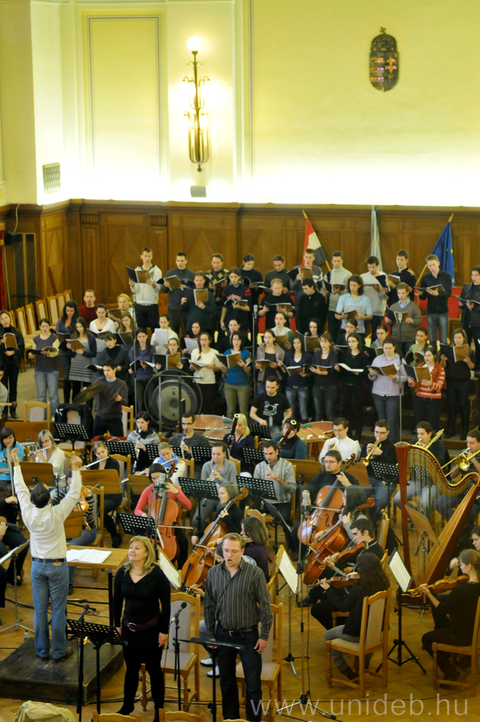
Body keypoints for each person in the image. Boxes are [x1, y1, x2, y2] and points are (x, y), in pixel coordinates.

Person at [12, 448, 82, 660]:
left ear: (33, 499)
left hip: (36, 567)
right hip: (57, 567)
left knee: (40, 611)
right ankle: (59, 651)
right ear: (50, 499)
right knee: (58, 611)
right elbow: (74, 493)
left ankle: (42, 651)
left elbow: (20, 488)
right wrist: (75, 469)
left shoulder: (27, 512)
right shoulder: (56, 513)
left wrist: (16, 464)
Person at [203, 532, 272, 722]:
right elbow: (208, 607)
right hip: (223, 634)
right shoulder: (213, 573)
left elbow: (265, 607)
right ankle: (230, 719)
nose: (229, 555)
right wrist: (211, 634)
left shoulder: (255, 573)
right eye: (226, 551)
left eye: (234, 551)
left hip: (248, 636)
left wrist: (264, 635)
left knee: (253, 685)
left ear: (242, 551)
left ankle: (253, 720)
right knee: (226, 682)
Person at [114, 536, 171, 720]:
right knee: (131, 669)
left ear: (147, 552)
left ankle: (159, 710)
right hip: (129, 630)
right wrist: (116, 625)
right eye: (131, 547)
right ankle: (127, 706)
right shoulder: (122, 573)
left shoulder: (157, 574)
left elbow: (166, 604)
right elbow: (116, 601)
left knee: (154, 669)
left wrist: (164, 631)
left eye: (137, 548)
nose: (132, 550)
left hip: (152, 631)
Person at [323, 552, 390, 680]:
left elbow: (343, 607)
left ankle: (344, 668)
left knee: (328, 635)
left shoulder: (360, 587)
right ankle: (365, 661)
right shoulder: (384, 584)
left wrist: (328, 589)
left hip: (357, 634)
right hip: (375, 632)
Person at [310, 519, 384, 628]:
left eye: (355, 534)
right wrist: (334, 567)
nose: (353, 538)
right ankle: (342, 624)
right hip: (357, 588)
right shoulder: (372, 547)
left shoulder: (369, 554)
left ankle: (339, 629)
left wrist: (333, 576)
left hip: (355, 594)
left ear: (366, 532)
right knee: (324, 596)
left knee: (316, 609)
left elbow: (352, 579)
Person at [421, 549, 480, 683]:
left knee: (426, 638)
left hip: (461, 636)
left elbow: (443, 609)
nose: (460, 567)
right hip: (476, 635)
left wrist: (429, 594)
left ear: (469, 566)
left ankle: (450, 672)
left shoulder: (461, 589)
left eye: (462, 564)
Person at [134, 464, 192, 568]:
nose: (156, 481)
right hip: (154, 525)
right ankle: (146, 565)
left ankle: (181, 569)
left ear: (164, 476)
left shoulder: (173, 489)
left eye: (158, 477)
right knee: (142, 542)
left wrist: (177, 492)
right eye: (153, 478)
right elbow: (137, 509)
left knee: (183, 542)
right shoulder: (149, 490)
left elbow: (188, 506)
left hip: (170, 526)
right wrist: (143, 514)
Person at [50, 468, 97, 595]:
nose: (72, 487)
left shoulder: (87, 495)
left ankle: (69, 582)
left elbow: (85, 518)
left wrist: (72, 506)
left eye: (74, 483)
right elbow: (52, 504)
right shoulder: (65, 491)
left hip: (86, 530)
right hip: (67, 529)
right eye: (70, 483)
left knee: (72, 547)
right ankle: (55, 578)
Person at [393, 421, 447, 517]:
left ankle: (425, 523)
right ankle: (417, 518)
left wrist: (426, 451)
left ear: (430, 433)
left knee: (424, 504)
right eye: (418, 433)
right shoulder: (413, 443)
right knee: (397, 499)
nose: (419, 437)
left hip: (433, 482)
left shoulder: (439, 445)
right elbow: (405, 461)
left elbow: (440, 462)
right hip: (416, 480)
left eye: (422, 434)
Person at [434, 428, 480, 526]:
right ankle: (459, 526)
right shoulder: (463, 452)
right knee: (438, 504)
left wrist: (474, 460)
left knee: (470, 513)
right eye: (467, 442)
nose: (468, 446)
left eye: (472, 443)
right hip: (463, 487)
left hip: (478, 491)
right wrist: (458, 464)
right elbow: (452, 475)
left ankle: (463, 528)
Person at [359, 420, 398, 525]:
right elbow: (360, 464)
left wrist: (381, 454)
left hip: (385, 480)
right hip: (369, 478)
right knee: (357, 496)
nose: (378, 435)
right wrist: (365, 454)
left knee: (381, 501)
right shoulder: (367, 444)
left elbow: (394, 465)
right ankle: (360, 520)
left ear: (388, 432)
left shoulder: (392, 447)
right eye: (376, 432)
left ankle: (371, 523)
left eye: (382, 433)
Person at [368, 337, 407, 443]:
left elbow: (406, 377)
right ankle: (381, 442)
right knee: (381, 421)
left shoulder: (400, 360)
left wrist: (395, 377)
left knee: (392, 421)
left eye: (389, 348)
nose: (387, 350)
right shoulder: (377, 359)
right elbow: (371, 378)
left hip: (393, 393)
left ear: (394, 347)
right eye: (385, 348)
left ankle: (393, 444)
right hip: (378, 393)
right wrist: (371, 374)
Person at [440, 328, 476, 438]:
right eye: (455, 337)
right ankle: (450, 430)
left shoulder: (469, 350)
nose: (457, 339)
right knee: (451, 405)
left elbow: (473, 367)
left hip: (463, 382)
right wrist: (443, 360)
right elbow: (442, 366)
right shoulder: (449, 350)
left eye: (459, 337)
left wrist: (468, 362)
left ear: (464, 338)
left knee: (463, 405)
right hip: (451, 381)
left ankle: (465, 430)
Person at [335, 333, 370, 441]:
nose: (351, 344)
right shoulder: (345, 356)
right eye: (349, 341)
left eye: (353, 341)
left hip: (357, 386)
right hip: (346, 386)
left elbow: (366, 374)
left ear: (358, 342)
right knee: (346, 411)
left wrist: (359, 373)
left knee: (357, 410)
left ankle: (358, 436)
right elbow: (341, 374)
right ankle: (348, 435)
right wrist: (338, 370)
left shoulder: (363, 356)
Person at [89, 440, 123, 547]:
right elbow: (91, 483)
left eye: (103, 452)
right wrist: (85, 472)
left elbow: (111, 481)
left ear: (107, 450)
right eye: (98, 453)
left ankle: (114, 535)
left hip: (113, 494)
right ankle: (90, 534)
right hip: (98, 495)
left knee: (101, 511)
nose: (101, 455)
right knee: (85, 506)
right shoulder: (94, 465)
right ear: (95, 454)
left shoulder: (113, 463)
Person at [252, 441, 296, 522]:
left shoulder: (287, 466)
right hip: (265, 502)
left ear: (277, 452)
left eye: (271, 453)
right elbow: (255, 491)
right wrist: (262, 486)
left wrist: (278, 479)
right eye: (265, 454)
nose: (268, 457)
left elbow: (292, 489)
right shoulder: (259, 467)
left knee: (284, 519)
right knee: (251, 515)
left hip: (282, 502)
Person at [28, 318, 60, 420]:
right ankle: (42, 415)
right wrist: (31, 355)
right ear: (40, 327)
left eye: (46, 326)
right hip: (39, 369)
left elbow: (57, 352)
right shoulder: (36, 339)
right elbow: (32, 352)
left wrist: (49, 353)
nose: (45, 328)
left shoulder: (54, 338)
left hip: (52, 369)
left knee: (53, 394)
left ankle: (54, 415)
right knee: (41, 395)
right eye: (43, 326)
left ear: (49, 327)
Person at [408, 345, 445, 431]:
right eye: (425, 355)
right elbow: (415, 384)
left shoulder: (440, 369)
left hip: (433, 400)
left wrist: (430, 383)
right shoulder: (419, 367)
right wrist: (411, 382)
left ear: (434, 356)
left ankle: (434, 439)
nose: (426, 358)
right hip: (420, 398)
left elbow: (440, 385)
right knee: (420, 423)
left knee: (433, 424)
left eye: (429, 355)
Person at [419, 253, 452, 347]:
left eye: (433, 264)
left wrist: (438, 294)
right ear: (427, 266)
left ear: (438, 263)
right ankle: (432, 356)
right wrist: (420, 294)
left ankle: (443, 356)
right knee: (432, 339)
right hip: (431, 310)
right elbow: (423, 297)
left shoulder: (446, 276)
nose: (432, 267)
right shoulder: (425, 278)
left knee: (443, 339)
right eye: (429, 265)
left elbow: (448, 293)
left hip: (442, 310)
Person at [128, 247, 163, 332]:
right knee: (141, 330)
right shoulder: (137, 270)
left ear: (152, 257)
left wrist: (153, 284)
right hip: (139, 304)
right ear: (141, 256)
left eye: (149, 256)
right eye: (145, 256)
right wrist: (132, 285)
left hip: (152, 304)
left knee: (155, 329)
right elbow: (135, 290)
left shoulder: (157, 271)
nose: (147, 258)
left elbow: (158, 289)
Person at [161, 251, 194, 334]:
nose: (180, 263)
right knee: (173, 332)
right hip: (173, 307)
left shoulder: (191, 274)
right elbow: (164, 291)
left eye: (182, 261)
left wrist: (185, 287)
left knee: (186, 332)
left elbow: (194, 290)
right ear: (175, 261)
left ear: (186, 261)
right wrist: (165, 286)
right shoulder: (170, 273)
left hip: (186, 307)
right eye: (178, 261)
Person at [92, 360, 128, 437]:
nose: (106, 373)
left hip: (114, 417)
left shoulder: (121, 383)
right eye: (104, 370)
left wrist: (120, 399)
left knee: (118, 442)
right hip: (100, 416)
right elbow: (92, 390)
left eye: (108, 370)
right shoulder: (100, 381)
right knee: (95, 440)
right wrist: (87, 391)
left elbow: (126, 401)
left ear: (114, 369)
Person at [385, 281, 422, 356]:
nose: (400, 295)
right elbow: (391, 322)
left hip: (409, 338)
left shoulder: (413, 306)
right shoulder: (393, 306)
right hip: (396, 337)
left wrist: (412, 321)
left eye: (403, 293)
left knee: (408, 358)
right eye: (399, 293)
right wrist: (388, 321)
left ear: (407, 293)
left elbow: (419, 321)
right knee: (396, 358)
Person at [0, 310, 25, 419]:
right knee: (4, 388)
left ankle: (13, 410)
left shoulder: (16, 331)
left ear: (9, 318)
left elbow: (22, 347)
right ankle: (4, 411)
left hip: (14, 363)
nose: (5, 320)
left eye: (6, 318)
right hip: (3, 364)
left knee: (13, 386)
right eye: (2, 319)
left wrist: (13, 352)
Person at [221, 331, 252, 418]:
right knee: (230, 410)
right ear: (231, 341)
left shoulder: (246, 353)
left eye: (238, 339)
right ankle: (230, 426)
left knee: (243, 410)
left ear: (241, 341)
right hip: (229, 383)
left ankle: (243, 426)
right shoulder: (227, 352)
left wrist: (243, 366)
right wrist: (222, 367)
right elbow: (225, 371)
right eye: (234, 339)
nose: (236, 341)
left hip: (243, 384)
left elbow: (248, 371)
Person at [190, 332, 222, 414]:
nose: (203, 342)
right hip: (197, 381)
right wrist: (192, 366)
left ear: (209, 341)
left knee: (209, 405)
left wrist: (212, 367)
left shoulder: (214, 352)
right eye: (201, 340)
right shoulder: (195, 352)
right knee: (198, 404)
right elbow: (191, 368)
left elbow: (218, 369)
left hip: (209, 381)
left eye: (205, 340)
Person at [323, 251, 351, 341]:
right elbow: (324, 292)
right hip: (331, 307)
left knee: (342, 333)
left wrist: (340, 291)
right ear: (331, 261)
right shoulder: (328, 275)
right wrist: (326, 291)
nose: (336, 263)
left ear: (342, 261)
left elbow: (351, 292)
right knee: (332, 333)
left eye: (338, 261)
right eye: (334, 261)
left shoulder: (347, 274)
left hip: (343, 309)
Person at [67, 317, 97, 400]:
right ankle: (75, 406)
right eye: (77, 327)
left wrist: (83, 352)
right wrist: (69, 349)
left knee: (87, 390)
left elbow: (94, 353)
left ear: (84, 326)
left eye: (81, 326)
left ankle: (88, 407)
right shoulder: (73, 337)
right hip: (76, 365)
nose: (79, 329)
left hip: (86, 366)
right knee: (75, 389)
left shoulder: (91, 338)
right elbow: (71, 355)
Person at [282, 336, 311, 422]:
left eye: (298, 343)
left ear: (302, 344)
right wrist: (281, 366)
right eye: (294, 343)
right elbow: (286, 369)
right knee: (290, 409)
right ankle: (291, 426)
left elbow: (310, 371)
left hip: (302, 385)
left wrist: (306, 374)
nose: (296, 345)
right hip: (290, 385)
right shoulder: (288, 354)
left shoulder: (307, 355)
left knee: (303, 409)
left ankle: (304, 426)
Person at [55, 301, 79, 404]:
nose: (69, 313)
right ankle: (66, 400)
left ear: (75, 311)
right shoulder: (60, 321)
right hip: (64, 351)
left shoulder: (77, 321)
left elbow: (80, 334)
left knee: (76, 376)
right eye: (67, 311)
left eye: (71, 311)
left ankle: (75, 400)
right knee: (66, 376)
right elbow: (56, 334)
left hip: (75, 350)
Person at [335, 275, 372, 341]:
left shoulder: (365, 299)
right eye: (351, 285)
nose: (352, 287)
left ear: (359, 285)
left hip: (359, 329)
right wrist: (341, 316)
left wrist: (362, 317)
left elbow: (370, 316)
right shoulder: (343, 298)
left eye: (354, 285)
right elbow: (337, 314)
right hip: (345, 329)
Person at [310, 332, 338, 422]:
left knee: (329, 412)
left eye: (325, 341)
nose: (323, 344)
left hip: (330, 387)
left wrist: (320, 372)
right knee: (318, 412)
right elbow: (313, 367)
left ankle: (331, 430)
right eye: (321, 341)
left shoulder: (333, 354)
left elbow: (332, 370)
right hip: (317, 387)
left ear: (330, 343)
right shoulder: (316, 354)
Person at [0, 426, 25, 524]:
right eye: (5, 438)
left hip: (14, 479)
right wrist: (8, 470)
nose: (7, 441)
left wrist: (8, 450)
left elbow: (13, 469)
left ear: (14, 437)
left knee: (13, 502)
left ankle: (10, 525)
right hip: (1, 480)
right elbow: (10, 469)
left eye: (10, 438)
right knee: (2, 501)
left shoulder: (19, 448)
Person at [361, 255, 389, 337]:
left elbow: (386, 296)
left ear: (377, 265)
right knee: (362, 334)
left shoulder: (383, 276)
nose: (371, 269)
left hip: (378, 310)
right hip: (365, 311)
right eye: (369, 267)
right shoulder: (363, 277)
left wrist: (378, 290)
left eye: (373, 267)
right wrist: (360, 288)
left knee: (376, 336)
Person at [129, 328, 154, 412]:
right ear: (136, 338)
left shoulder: (151, 348)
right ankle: (140, 419)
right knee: (139, 403)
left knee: (150, 403)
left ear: (147, 336)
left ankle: (150, 419)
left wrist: (148, 365)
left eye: (143, 336)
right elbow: (132, 363)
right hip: (138, 377)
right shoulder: (133, 349)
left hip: (149, 377)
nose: (141, 339)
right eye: (139, 337)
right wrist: (132, 369)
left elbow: (154, 362)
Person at [459, 265, 480, 367]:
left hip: (477, 322)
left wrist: (474, 307)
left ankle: (477, 367)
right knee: (465, 345)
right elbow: (462, 301)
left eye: (476, 275)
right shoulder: (466, 287)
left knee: (478, 345)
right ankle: (465, 366)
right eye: (472, 275)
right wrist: (461, 304)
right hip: (466, 319)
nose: (474, 277)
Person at [221, 267, 252, 335]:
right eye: (231, 277)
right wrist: (222, 320)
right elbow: (224, 306)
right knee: (231, 339)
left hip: (241, 320)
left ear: (239, 277)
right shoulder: (226, 290)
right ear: (229, 277)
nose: (233, 279)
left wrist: (239, 307)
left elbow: (248, 308)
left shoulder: (245, 289)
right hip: (229, 320)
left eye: (235, 277)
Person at [255, 330, 285, 395]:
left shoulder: (280, 351)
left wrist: (276, 365)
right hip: (262, 378)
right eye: (265, 337)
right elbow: (255, 362)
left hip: (275, 378)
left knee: (275, 399)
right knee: (261, 398)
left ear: (274, 338)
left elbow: (282, 366)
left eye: (269, 337)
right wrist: (257, 366)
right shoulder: (259, 349)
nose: (267, 339)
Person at [206, 253, 230, 334]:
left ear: (222, 262)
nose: (216, 265)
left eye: (218, 262)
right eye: (214, 262)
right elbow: (203, 289)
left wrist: (225, 287)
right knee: (211, 328)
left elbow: (231, 289)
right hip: (212, 304)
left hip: (223, 304)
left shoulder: (227, 274)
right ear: (211, 263)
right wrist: (209, 288)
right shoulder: (207, 274)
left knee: (222, 330)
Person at [241, 516, 270, 581]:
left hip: (256, 583)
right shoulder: (262, 543)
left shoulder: (252, 551)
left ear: (251, 532)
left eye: (243, 530)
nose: (241, 533)